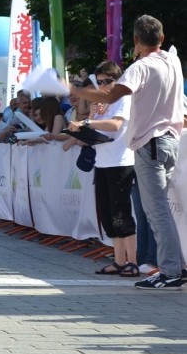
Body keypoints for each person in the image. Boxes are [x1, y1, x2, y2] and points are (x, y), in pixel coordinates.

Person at [71, 15, 184, 290]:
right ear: (162, 37)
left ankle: (170, 270)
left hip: (150, 144)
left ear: (135, 41)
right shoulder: (173, 61)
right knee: (161, 210)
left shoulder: (139, 67)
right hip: (170, 141)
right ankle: (173, 267)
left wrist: (74, 89)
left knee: (156, 211)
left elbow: (110, 97)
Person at [67, 60, 137, 277]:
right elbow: (94, 127)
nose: (104, 86)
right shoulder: (102, 102)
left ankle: (132, 261)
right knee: (107, 213)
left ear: (117, 80)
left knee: (121, 213)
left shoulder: (123, 98)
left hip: (121, 161)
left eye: (108, 81)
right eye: (100, 82)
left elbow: (116, 125)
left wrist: (88, 124)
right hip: (103, 161)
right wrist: (91, 117)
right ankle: (118, 260)